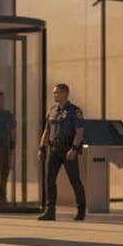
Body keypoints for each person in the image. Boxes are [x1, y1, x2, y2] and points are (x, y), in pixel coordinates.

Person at [37, 84, 87, 221]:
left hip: (68, 150)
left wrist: (74, 149)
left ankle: (81, 210)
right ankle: (50, 211)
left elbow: (79, 132)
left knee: (74, 180)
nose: (54, 95)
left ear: (65, 93)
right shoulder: (52, 110)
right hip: (53, 150)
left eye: (57, 93)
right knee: (50, 180)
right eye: (53, 93)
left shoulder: (74, 111)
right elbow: (47, 131)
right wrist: (42, 148)